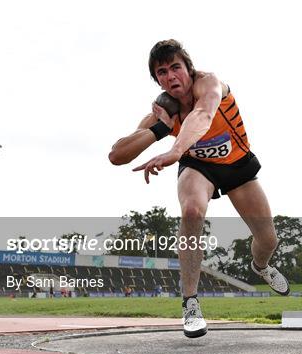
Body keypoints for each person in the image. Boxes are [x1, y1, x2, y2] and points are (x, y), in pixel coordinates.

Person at [109, 39, 290, 338]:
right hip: (198, 167)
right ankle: (190, 302)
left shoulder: (209, 84)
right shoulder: (163, 111)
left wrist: (176, 148)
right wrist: (159, 130)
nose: (170, 77)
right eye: (162, 72)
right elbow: (117, 155)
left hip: (236, 163)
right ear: (157, 80)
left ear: (189, 69)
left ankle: (261, 266)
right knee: (192, 210)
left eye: (175, 68)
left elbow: (203, 116)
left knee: (268, 239)